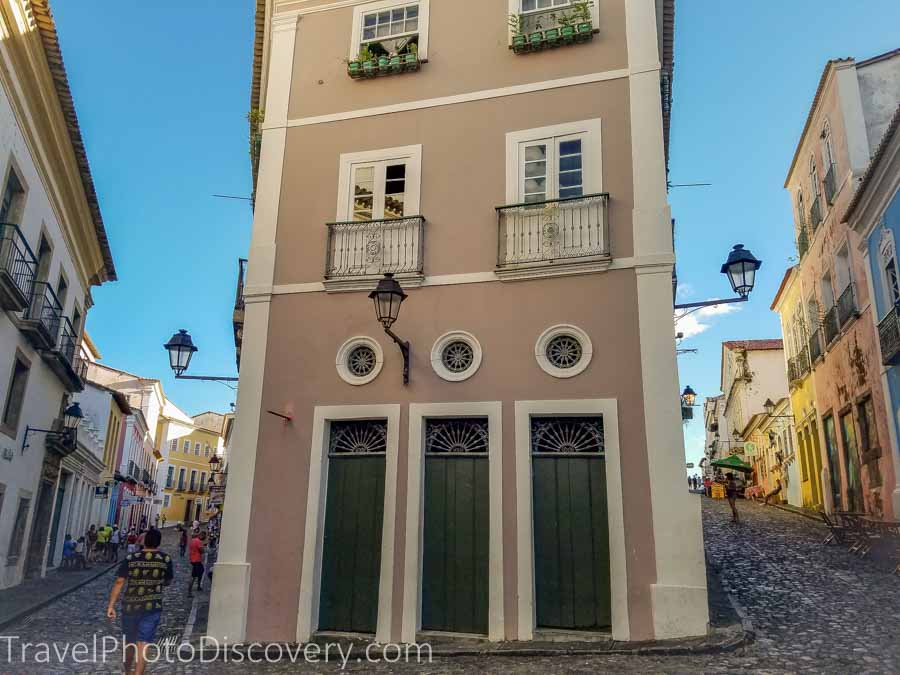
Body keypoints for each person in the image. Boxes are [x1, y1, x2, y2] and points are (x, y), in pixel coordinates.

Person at [106, 528, 173, 675]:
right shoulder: (165, 559)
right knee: (143, 645)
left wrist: (111, 605)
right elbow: (167, 581)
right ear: (158, 542)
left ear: (144, 540)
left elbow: (119, 581)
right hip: (152, 607)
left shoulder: (131, 558)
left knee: (129, 643)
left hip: (130, 606)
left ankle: (128, 671)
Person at [187, 531, 207, 596]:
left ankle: (198, 586)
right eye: (204, 537)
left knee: (201, 571)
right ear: (202, 535)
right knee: (193, 576)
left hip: (192, 559)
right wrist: (204, 549)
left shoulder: (193, 540)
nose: (204, 538)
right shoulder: (199, 541)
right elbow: (202, 551)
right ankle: (189, 592)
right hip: (197, 560)